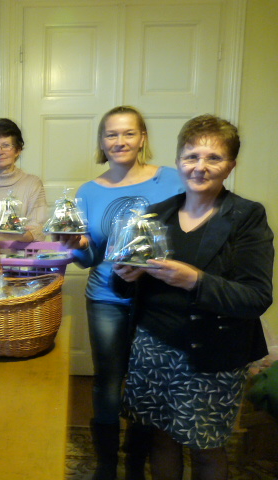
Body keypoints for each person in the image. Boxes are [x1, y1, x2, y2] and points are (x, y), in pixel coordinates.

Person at [113, 114, 273, 479]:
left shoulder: (246, 217)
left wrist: (196, 281)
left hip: (211, 354)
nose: (200, 166)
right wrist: (125, 276)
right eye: (191, 156)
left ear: (230, 166)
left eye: (214, 158)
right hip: (152, 348)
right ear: (178, 160)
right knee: (161, 439)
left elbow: (257, 296)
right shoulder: (156, 215)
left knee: (206, 447)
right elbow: (129, 288)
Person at [58, 106, 184, 480]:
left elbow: (187, 236)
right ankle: (106, 463)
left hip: (157, 298)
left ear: (143, 138)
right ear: (102, 141)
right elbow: (88, 258)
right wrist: (76, 245)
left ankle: (135, 462)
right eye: (111, 134)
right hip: (106, 298)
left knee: (146, 382)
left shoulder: (172, 180)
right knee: (108, 380)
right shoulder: (88, 192)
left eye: (129, 133)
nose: (120, 141)